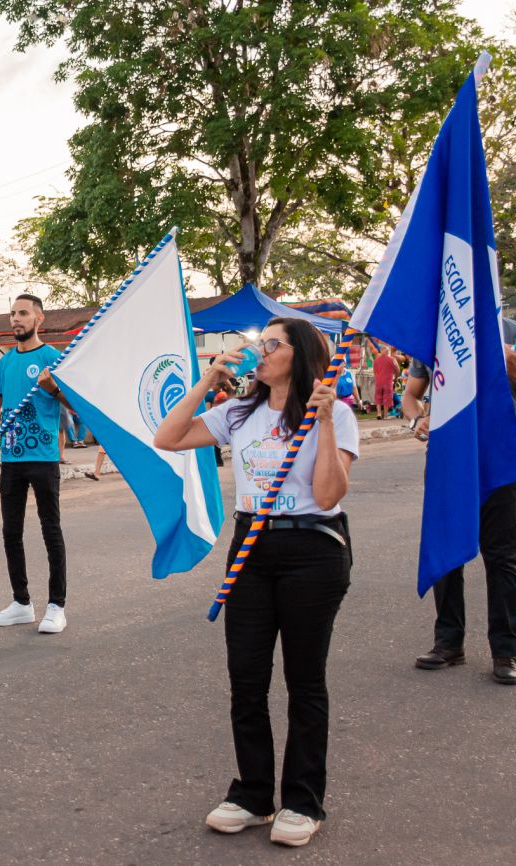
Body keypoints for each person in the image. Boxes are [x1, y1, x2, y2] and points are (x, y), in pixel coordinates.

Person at [155, 317, 358, 848]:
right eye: (258, 343)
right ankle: (252, 795)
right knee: (246, 678)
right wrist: (207, 380)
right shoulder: (240, 411)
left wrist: (325, 423)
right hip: (250, 548)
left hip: (313, 549)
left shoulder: (335, 414)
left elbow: (329, 494)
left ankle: (303, 801)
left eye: (272, 344)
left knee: (304, 679)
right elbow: (168, 437)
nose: (260, 352)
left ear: (300, 354)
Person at [404, 316, 516, 685]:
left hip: (498, 457)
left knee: (501, 555)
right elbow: (411, 396)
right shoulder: (436, 327)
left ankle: (505, 651)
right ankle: (448, 643)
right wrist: (416, 421)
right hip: (447, 457)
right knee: (446, 549)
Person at [0, 294, 69, 634]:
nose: (16, 319)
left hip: (44, 457)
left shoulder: (52, 358)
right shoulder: (5, 363)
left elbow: (76, 405)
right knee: (11, 532)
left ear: (39, 318)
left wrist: (53, 388)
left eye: (23, 313)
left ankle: (56, 606)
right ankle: (21, 603)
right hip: (11, 459)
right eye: (12, 313)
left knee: (50, 529)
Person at [371, 349, 400, 420]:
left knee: (378, 397)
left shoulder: (376, 360)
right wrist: (396, 378)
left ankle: (379, 414)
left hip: (378, 382)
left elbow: (374, 371)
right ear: (387, 352)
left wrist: (378, 377)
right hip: (388, 382)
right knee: (387, 397)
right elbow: (398, 370)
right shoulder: (392, 359)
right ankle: (385, 415)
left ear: (381, 352)